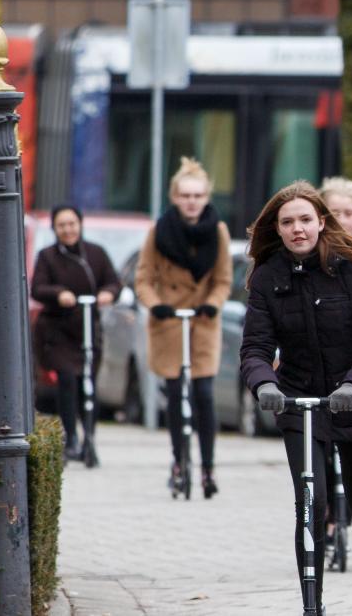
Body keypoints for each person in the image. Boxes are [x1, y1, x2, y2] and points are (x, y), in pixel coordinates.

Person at [242, 180, 352, 615]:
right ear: (277, 227)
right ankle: (313, 604)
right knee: (312, 499)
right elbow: (254, 348)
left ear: (321, 222)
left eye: (305, 220)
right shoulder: (268, 277)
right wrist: (265, 386)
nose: (298, 229)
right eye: (288, 222)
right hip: (298, 402)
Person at [135, 157, 233, 499]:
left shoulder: (218, 231)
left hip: (203, 322)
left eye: (198, 195)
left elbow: (223, 280)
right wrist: (156, 305)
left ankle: (207, 466)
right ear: (175, 197)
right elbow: (143, 278)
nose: (192, 201)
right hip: (170, 323)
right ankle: (179, 461)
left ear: (206, 197)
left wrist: (213, 304)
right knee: (175, 394)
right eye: (185, 195)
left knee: (204, 395)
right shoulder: (158, 231)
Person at [28, 204, 123, 464]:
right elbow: (37, 288)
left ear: (80, 225)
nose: (68, 230)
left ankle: (89, 436)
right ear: (55, 229)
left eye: (71, 224)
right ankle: (70, 437)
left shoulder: (96, 254)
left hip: (88, 330)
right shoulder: (47, 256)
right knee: (68, 379)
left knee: (87, 383)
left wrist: (108, 294)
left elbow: (113, 281)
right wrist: (59, 294)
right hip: (58, 331)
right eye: (62, 225)